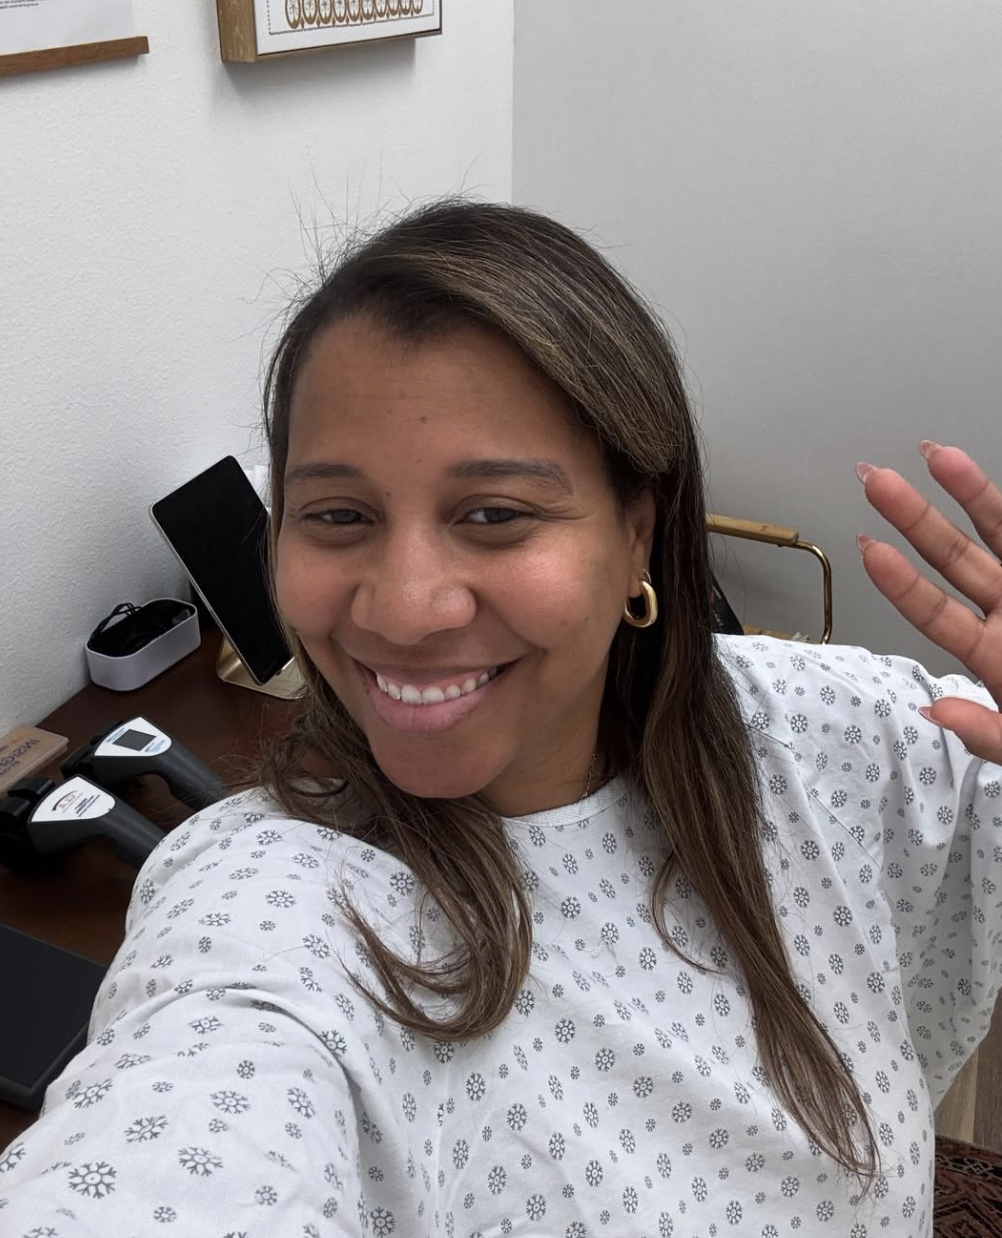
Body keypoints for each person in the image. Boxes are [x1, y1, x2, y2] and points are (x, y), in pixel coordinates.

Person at [0, 201, 999, 1238]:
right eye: (339, 515)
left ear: (635, 535)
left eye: (494, 515)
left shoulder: (829, 730)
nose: (402, 605)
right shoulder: (272, 918)